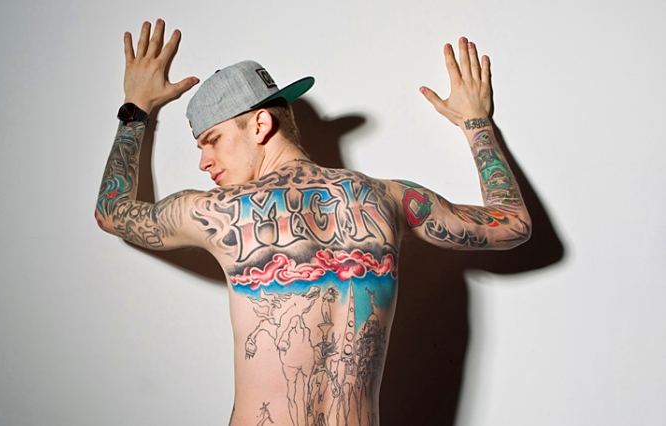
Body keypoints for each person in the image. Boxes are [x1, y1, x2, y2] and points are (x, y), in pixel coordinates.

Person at [96, 19, 531, 426]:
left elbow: (111, 211)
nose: (204, 161)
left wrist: (136, 108)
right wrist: (476, 123)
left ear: (260, 124)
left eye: (212, 140)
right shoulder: (387, 199)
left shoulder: (218, 211)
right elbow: (512, 223)